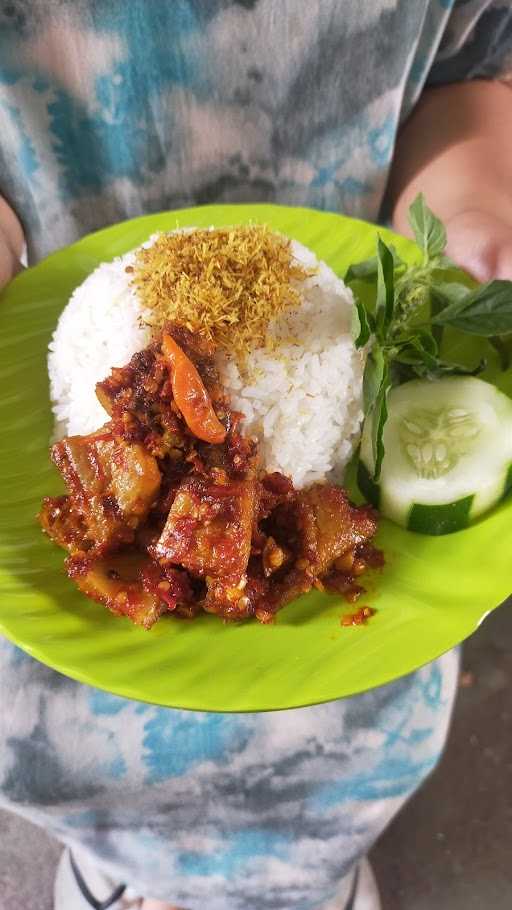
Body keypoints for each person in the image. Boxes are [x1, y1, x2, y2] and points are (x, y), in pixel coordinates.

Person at [0, 3, 511, 909]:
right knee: (72, 762)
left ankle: (309, 878)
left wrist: (480, 219)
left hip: (326, 325)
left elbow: (465, 64)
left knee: (344, 759)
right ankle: (125, 872)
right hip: (58, 697)